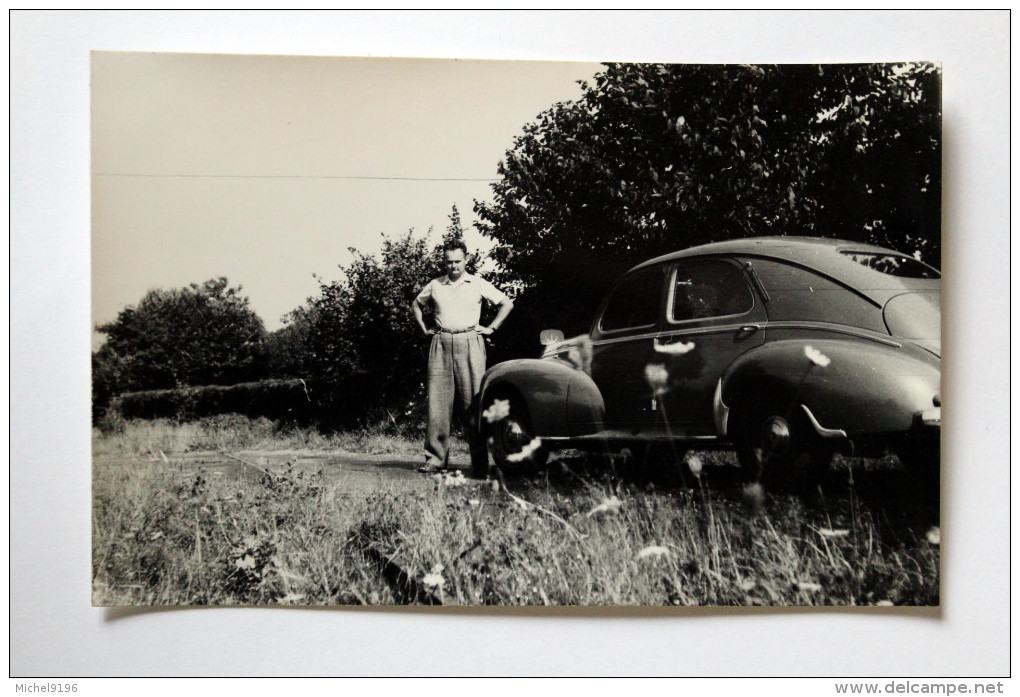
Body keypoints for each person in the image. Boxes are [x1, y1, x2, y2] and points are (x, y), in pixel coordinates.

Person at [412, 239, 513, 474]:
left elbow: (507, 304)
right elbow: (416, 304)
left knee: (475, 403)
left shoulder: (477, 283)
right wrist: (424, 328)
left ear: (466, 260)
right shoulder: (436, 285)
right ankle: (435, 459)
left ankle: (479, 462)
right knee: (438, 403)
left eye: (458, 261)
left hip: (471, 341)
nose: (453, 266)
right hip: (441, 342)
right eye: (449, 262)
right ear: (444, 262)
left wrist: (491, 328)